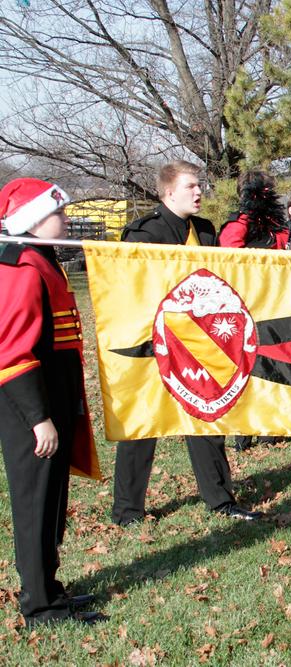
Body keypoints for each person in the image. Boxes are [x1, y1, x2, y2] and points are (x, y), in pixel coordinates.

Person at [113, 161, 262, 524]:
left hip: (200, 343)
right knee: (143, 426)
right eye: (191, 187)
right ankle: (128, 509)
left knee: (207, 421)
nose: (199, 192)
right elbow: (132, 292)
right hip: (155, 345)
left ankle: (220, 499)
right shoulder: (143, 234)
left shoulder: (206, 230)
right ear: (168, 193)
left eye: (200, 186)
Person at [0, 178, 105, 626]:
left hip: (53, 399)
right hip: (30, 406)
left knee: (51, 500)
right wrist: (39, 418)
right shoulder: (22, 265)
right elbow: (10, 350)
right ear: (33, 220)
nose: (65, 220)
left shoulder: (43, 259)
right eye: (58, 214)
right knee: (35, 503)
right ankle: (39, 604)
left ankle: (50, 588)